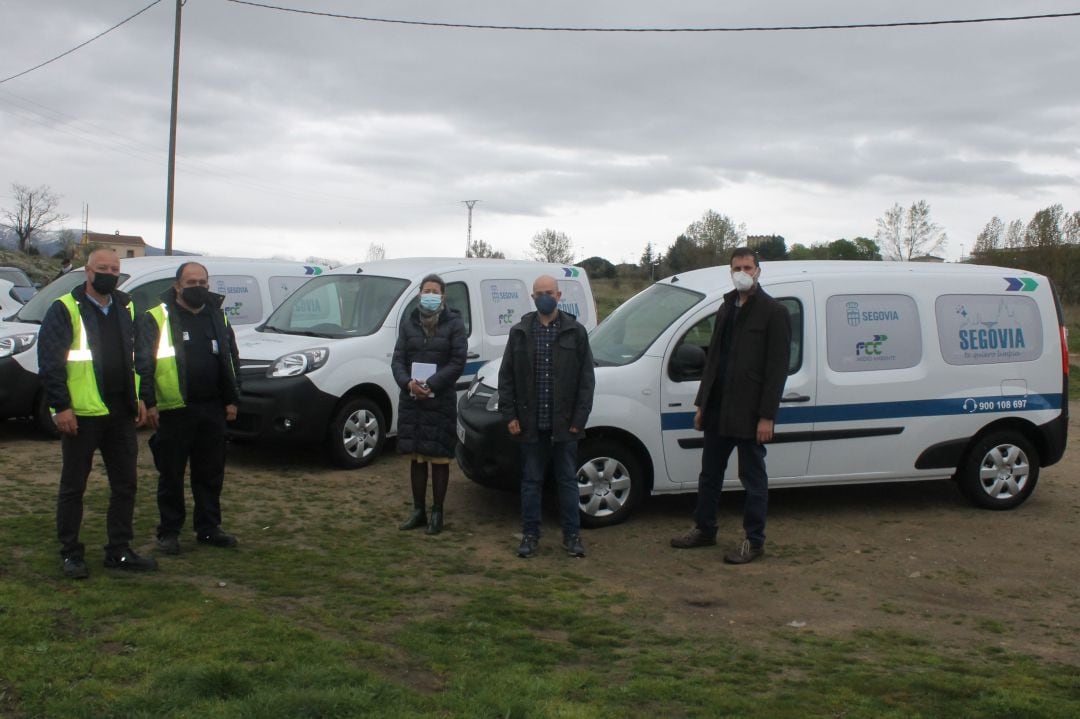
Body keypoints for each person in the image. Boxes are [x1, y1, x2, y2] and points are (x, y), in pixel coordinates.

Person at [37, 248, 155, 578]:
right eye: (102, 267)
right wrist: (61, 406)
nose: (108, 273)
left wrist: (142, 397)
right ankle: (70, 553)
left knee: (125, 485)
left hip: (120, 411)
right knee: (74, 486)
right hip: (82, 413)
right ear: (87, 271)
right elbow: (50, 362)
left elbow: (138, 356)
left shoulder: (125, 306)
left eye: (114, 269)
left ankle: (119, 550)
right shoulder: (65, 309)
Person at [671, 247, 791, 564]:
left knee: (753, 479)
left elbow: (777, 370)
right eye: (737, 267)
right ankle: (704, 529)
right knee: (709, 475)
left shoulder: (773, 312)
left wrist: (767, 416)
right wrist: (701, 405)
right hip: (718, 409)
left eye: (748, 267)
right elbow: (714, 362)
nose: (742, 272)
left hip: (750, 413)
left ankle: (754, 541)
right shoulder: (727, 306)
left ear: (758, 271)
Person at [135, 262, 241, 555]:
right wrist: (149, 402)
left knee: (210, 473)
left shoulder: (217, 316)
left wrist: (233, 398)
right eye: (191, 282)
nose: (198, 287)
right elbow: (144, 363)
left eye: (202, 282)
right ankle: (169, 532)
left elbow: (231, 359)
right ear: (177, 286)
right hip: (173, 410)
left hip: (212, 409)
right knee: (171, 474)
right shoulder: (158, 317)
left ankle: (208, 528)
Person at [498, 274, 595, 558]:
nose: (545, 296)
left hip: (565, 425)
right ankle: (530, 536)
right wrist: (510, 415)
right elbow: (507, 378)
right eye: (539, 292)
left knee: (567, 481)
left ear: (559, 295)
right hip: (530, 424)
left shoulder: (576, 332)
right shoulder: (520, 332)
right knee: (531, 482)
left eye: (549, 292)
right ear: (532, 297)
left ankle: (572, 537)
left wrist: (580, 418)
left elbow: (586, 381)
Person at [390, 274, 467, 535]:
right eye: (426, 290)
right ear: (419, 293)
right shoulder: (409, 322)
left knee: (440, 459)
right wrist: (407, 383)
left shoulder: (455, 324)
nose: (430, 295)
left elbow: (457, 362)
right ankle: (418, 509)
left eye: (435, 291)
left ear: (443, 296)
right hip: (413, 401)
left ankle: (438, 512)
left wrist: (432, 384)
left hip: (440, 401)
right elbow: (398, 359)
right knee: (417, 458)